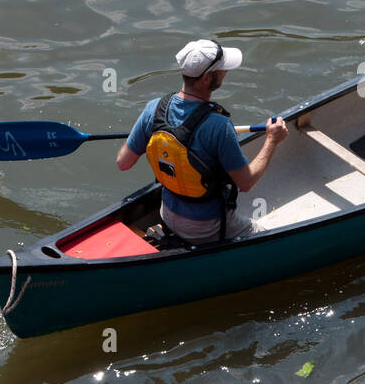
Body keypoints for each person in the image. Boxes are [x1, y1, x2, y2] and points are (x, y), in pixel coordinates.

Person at [116, 38, 286, 244]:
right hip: (207, 228)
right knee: (264, 234)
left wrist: (146, 136)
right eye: (222, 69)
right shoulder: (218, 125)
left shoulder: (154, 108)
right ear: (207, 78)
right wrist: (272, 140)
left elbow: (123, 163)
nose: (226, 72)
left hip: (167, 213)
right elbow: (246, 183)